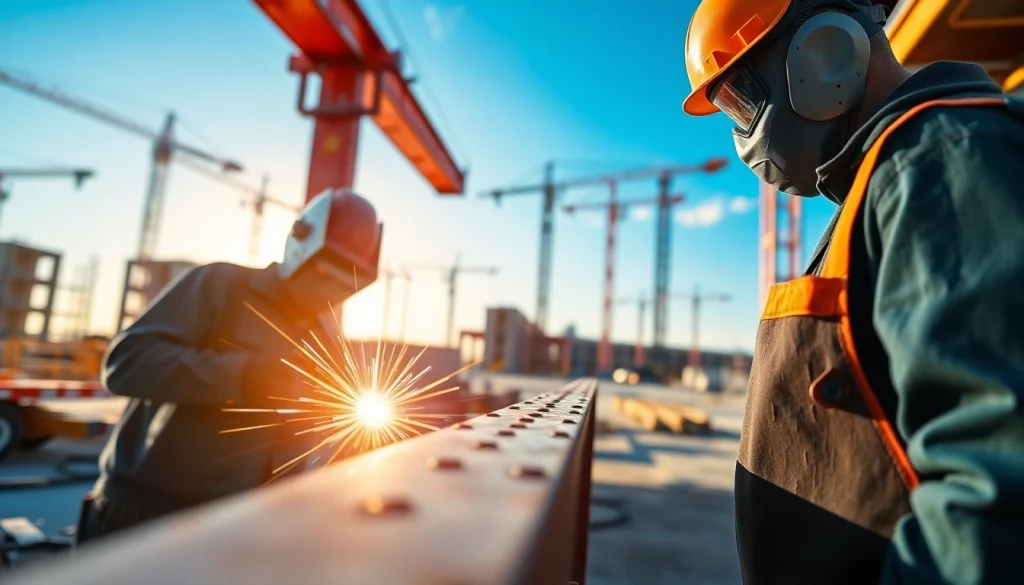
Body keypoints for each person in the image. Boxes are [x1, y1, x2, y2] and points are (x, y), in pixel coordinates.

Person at [681, 1, 1024, 583]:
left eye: (740, 101)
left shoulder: (939, 163)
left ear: (823, 49)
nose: (742, 140)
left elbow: (990, 496)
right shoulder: (885, 180)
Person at [77, 188, 382, 542]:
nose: (332, 292)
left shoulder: (326, 334)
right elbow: (125, 362)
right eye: (330, 272)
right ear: (302, 247)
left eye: (350, 282)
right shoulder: (220, 287)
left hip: (245, 523)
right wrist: (245, 375)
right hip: (144, 516)